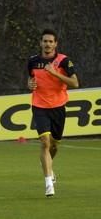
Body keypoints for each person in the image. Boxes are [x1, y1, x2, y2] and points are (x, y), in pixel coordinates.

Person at [26, 28, 79, 197]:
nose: (47, 44)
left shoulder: (64, 61)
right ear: (40, 43)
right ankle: (49, 182)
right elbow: (31, 79)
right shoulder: (33, 61)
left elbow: (75, 83)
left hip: (58, 107)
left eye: (51, 41)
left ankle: (48, 166)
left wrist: (55, 73)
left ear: (55, 44)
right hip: (39, 105)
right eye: (45, 41)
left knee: (54, 145)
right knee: (45, 143)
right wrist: (29, 85)